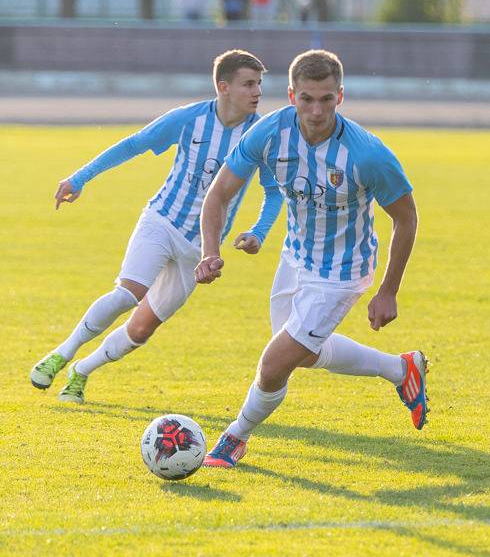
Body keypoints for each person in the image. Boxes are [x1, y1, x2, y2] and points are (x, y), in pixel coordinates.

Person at [195, 49, 427, 469]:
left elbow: (406, 220)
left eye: (326, 99)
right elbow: (220, 193)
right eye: (307, 99)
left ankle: (234, 438)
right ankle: (401, 369)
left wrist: (388, 291)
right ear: (290, 96)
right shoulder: (269, 134)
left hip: (342, 273)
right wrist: (210, 252)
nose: (316, 110)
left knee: (274, 363)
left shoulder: (367, 154)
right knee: (301, 353)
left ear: (341, 96)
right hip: (295, 257)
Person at [29, 50, 281, 404]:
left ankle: (81, 371)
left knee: (142, 328)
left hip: (200, 248)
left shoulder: (260, 134)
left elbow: (273, 192)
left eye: (259, 84)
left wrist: (259, 231)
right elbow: (134, 144)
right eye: (249, 84)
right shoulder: (188, 119)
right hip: (162, 220)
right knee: (129, 292)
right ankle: (62, 353)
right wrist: (80, 177)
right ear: (224, 87)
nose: (257, 92)